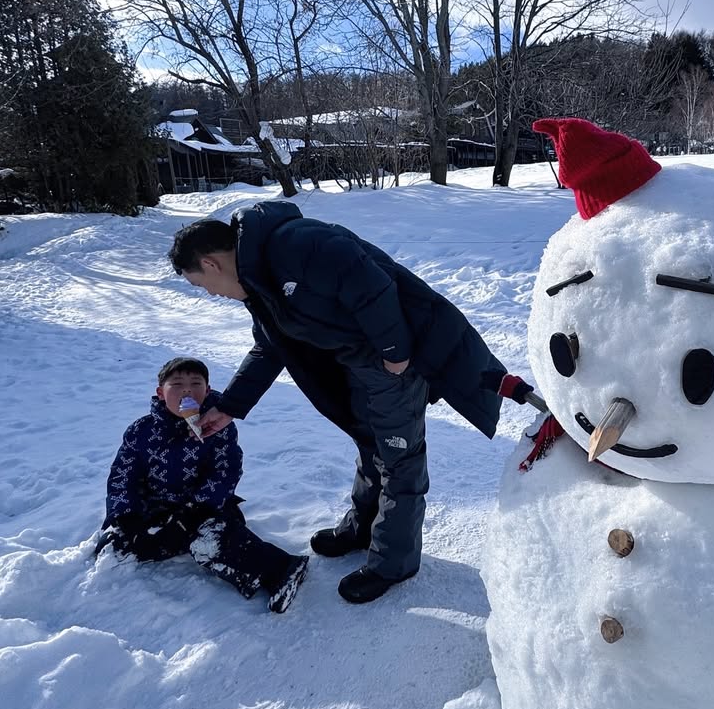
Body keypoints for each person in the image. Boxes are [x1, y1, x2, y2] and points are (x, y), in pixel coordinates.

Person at [166, 202, 508, 605]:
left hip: (394, 359)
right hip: (357, 364)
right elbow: (270, 346)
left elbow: (371, 283)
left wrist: (395, 351)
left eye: (200, 284)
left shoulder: (297, 244)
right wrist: (232, 405)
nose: (210, 293)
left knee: (399, 458)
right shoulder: (258, 282)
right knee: (369, 443)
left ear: (210, 263)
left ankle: (393, 562)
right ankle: (362, 527)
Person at [97, 356, 309, 613]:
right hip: (157, 507)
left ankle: (279, 570)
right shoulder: (141, 431)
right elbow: (123, 476)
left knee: (212, 538)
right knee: (117, 543)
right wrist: (125, 515)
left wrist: (200, 507)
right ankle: (163, 539)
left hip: (205, 508)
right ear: (161, 394)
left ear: (207, 390)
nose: (187, 390)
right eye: (177, 384)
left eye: (195, 383)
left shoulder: (217, 426)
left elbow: (226, 469)